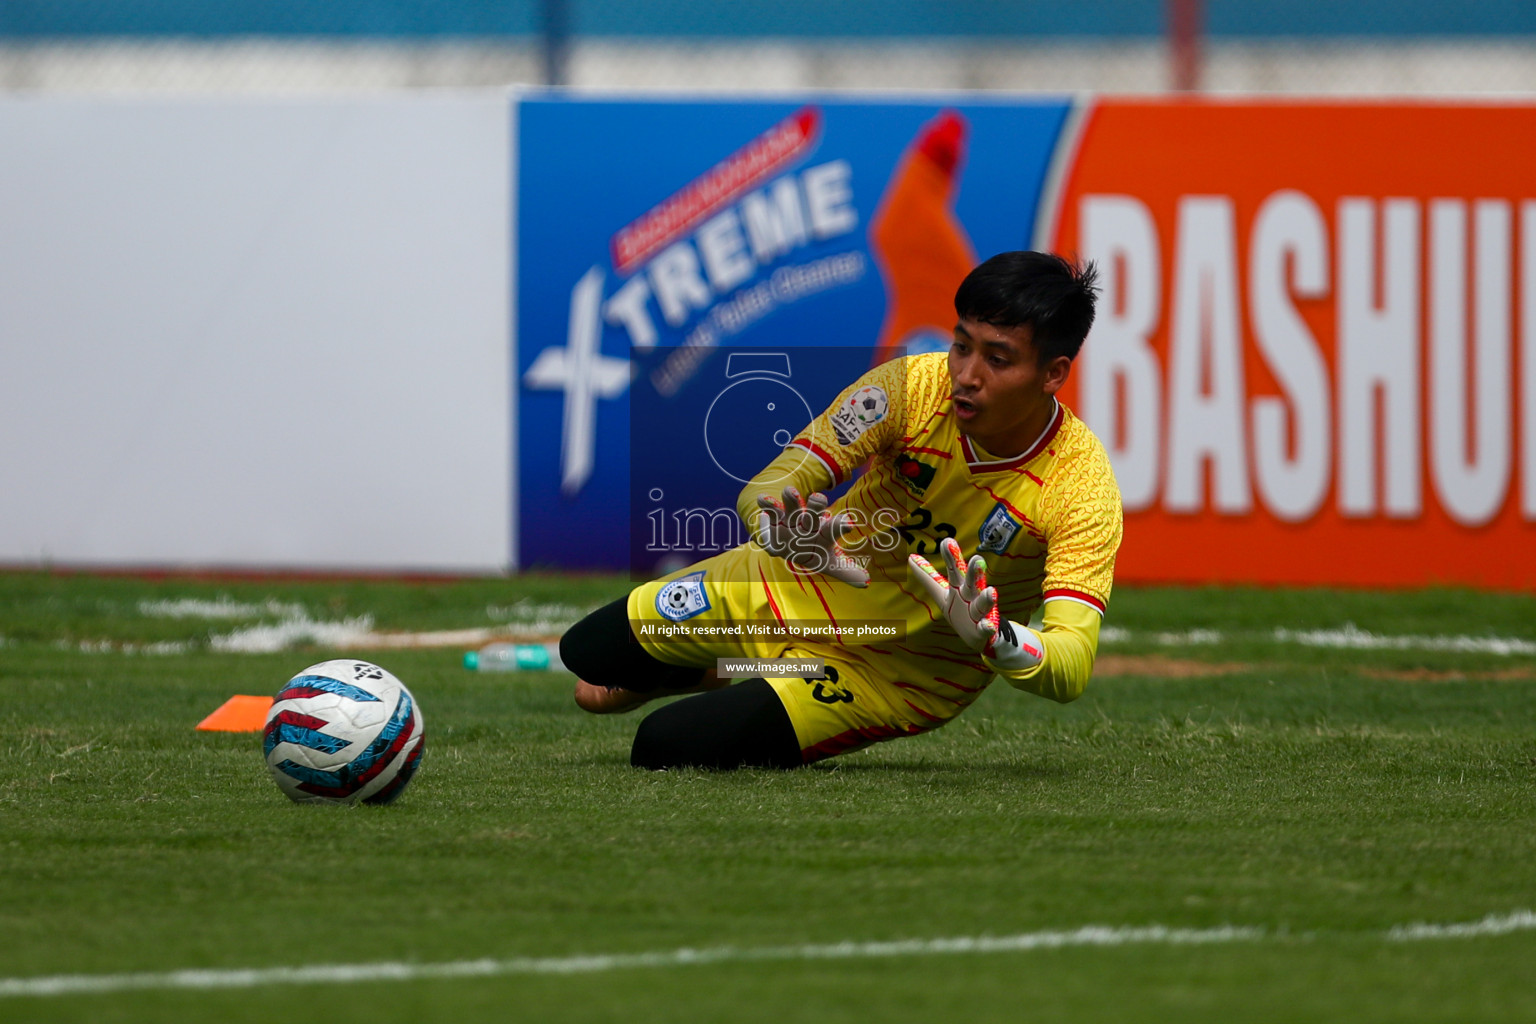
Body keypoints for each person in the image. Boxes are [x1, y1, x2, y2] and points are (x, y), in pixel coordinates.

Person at [560, 251, 1122, 770]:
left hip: (895, 672)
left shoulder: (1081, 487)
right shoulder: (910, 387)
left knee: (661, 745)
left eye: (998, 359)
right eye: (962, 345)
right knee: (586, 662)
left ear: (1053, 374)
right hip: (790, 580)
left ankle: (740, 669)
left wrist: (997, 639)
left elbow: (1070, 664)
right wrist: (776, 527)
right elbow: (773, 483)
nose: (967, 375)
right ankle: (721, 665)